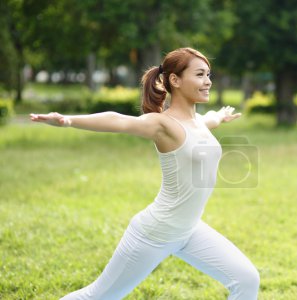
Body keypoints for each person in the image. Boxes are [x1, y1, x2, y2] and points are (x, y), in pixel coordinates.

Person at [30, 47, 260, 300]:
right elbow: (118, 120)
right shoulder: (163, 124)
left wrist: (221, 115)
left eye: (209, 74)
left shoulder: (198, 122)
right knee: (98, 296)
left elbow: (210, 120)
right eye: (200, 74)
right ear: (175, 80)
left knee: (247, 279)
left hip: (190, 230)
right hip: (156, 232)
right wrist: (69, 120)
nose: (208, 81)